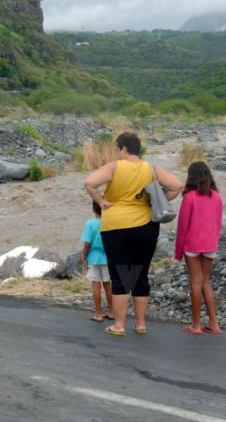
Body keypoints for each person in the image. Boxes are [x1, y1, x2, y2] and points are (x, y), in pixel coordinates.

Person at [84, 132, 183, 336]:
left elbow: (90, 182)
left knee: (120, 275)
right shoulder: (151, 168)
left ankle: (119, 325)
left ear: (124, 149)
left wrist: (102, 202)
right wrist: (155, 200)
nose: (117, 153)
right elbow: (177, 186)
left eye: (117, 149)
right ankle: (140, 324)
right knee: (139, 274)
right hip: (146, 226)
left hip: (116, 227)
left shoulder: (114, 166)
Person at [175, 161, 224, 335]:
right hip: (210, 244)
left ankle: (196, 325)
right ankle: (214, 324)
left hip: (193, 244)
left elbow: (182, 226)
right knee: (206, 282)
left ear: (191, 177)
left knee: (196, 281)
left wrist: (178, 251)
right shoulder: (217, 196)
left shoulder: (189, 197)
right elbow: (218, 223)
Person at [81, 200, 113, 322]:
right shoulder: (110, 222)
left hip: (94, 258)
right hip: (108, 258)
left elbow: (87, 242)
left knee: (96, 285)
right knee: (107, 285)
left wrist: (84, 256)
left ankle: (98, 314)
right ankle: (111, 312)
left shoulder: (90, 224)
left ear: (93, 209)